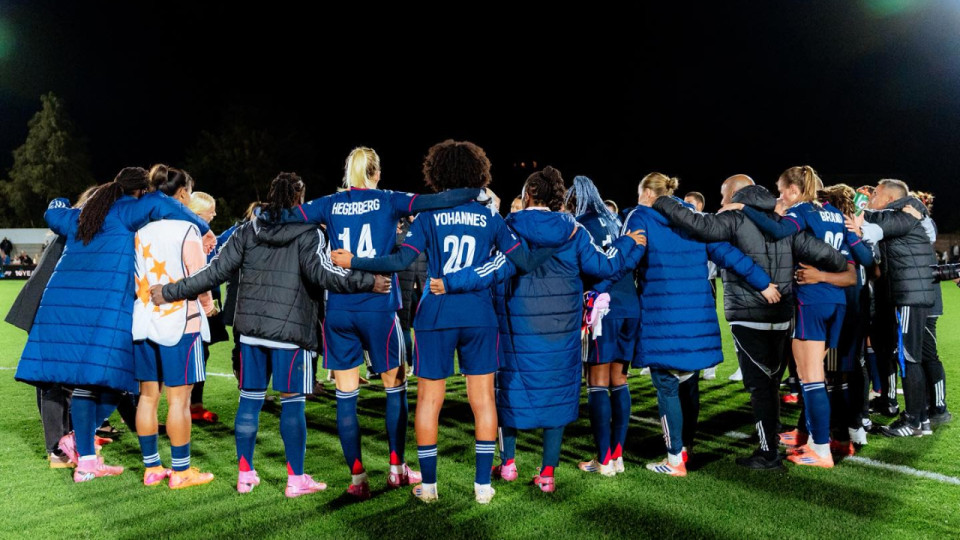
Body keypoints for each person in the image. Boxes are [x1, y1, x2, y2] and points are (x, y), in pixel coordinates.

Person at [331, 141, 564, 503]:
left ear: (437, 173)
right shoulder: (490, 216)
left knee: (429, 401)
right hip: (478, 314)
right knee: (483, 400)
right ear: (477, 173)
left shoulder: (428, 216)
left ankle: (429, 486)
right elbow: (524, 261)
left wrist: (355, 260)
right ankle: (482, 486)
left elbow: (397, 263)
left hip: (435, 313)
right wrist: (562, 238)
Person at [153, 172, 391, 497]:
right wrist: (368, 281)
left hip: (251, 332)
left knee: (248, 403)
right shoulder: (308, 231)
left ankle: (245, 475)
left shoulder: (248, 228)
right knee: (292, 404)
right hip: (290, 333)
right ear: (299, 199)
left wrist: (170, 291)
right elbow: (325, 275)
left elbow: (214, 272)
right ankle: (295, 480)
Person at [274, 146, 484, 498]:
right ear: (376, 172)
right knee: (394, 389)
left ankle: (357, 480)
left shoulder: (329, 204)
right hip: (380, 307)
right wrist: (476, 192)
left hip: (340, 309)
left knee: (345, 396)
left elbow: (286, 217)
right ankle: (396, 469)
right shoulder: (389, 199)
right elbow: (436, 201)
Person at [436, 166, 645, 493]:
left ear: (528, 195)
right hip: (561, 332)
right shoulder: (574, 231)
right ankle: (547, 473)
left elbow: (490, 271)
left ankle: (508, 464)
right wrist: (629, 245)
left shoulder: (508, 227)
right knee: (557, 396)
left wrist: (450, 284)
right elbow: (606, 266)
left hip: (516, 327)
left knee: (509, 394)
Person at [15, 167, 213, 482]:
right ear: (138, 191)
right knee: (118, 381)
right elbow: (171, 207)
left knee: (88, 383)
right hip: (103, 308)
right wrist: (203, 226)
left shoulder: (81, 216)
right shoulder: (128, 210)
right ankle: (82, 443)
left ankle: (86, 460)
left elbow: (53, 213)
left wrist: (58, 200)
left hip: (63, 307)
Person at [653, 174, 849, 469]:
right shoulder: (785, 223)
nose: (721, 202)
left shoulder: (734, 219)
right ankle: (777, 444)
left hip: (748, 318)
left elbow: (696, 224)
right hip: (783, 317)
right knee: (771, 386)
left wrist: (660, 199)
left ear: (735, 196)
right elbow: (833, 258)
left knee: (761, 389)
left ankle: (768, 453)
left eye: (723, 196)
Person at [613, 173, 778, 476]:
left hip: (662, 316)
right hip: (697, 318)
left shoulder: (641, 216)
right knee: (688, 383)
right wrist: (764, 283)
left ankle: (674, 458)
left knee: (666, 386)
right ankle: (685, 448)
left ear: (649, 193)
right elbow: (728, 254)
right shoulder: (695, 218)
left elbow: (626, 261)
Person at [723, 166, 872, 468]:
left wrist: (744, 209)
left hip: (810, 299)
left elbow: (778, 231)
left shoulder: (802, 210)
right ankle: (826, 437)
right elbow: (862, 264)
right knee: (828, 375)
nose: (779, 196)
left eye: (781, 190)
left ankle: (820, 448)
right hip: (838, 299)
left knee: (811, 378)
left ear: (794, 189)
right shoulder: (832, 210)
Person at [132, 165, 216, 489]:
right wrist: (208, 308)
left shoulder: (140, 229)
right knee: (179, 400)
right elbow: (201, 279)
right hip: (181, 322)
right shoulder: (187, 230)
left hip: (144, 320)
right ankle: (180, 472)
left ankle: (152, 469)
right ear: (182, 194)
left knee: (147, 398)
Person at [6, 186, 98, 467]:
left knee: (55, 379)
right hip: (48, 309)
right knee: (53, 381)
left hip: (47, 307)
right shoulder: (80, 226)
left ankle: (64, 440)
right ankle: (57, 449)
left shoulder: (72, 222)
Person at [848, 179, 939, 437]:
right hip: (910, 293)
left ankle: (913, 421)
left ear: (888, 198)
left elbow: (869, 230)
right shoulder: (907, 213)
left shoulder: (901, 215)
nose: (871, 197)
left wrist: (857, 214)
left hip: (909, 295)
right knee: (910, 357)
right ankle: (921, 419)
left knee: (908, 358)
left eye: (875, 194)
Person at [563, 176, 637, 477]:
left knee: (596, 382)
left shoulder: (580, 225)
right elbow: (629, 260)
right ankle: (617, 456)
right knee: (619, 381)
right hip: (631, 307)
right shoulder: (617, 221)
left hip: (602, 309)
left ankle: (603, 460)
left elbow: (586, 267)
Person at [185, 191, 228, 423]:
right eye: (210, 211)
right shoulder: (191, 236)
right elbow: (199, 276)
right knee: (193, 355)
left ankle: (195, 406)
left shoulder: (203, 234)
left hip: (196, 305)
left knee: (203, 352)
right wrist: (207, 304)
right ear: (198, 214)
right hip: (189, 307)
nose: (214, 214)